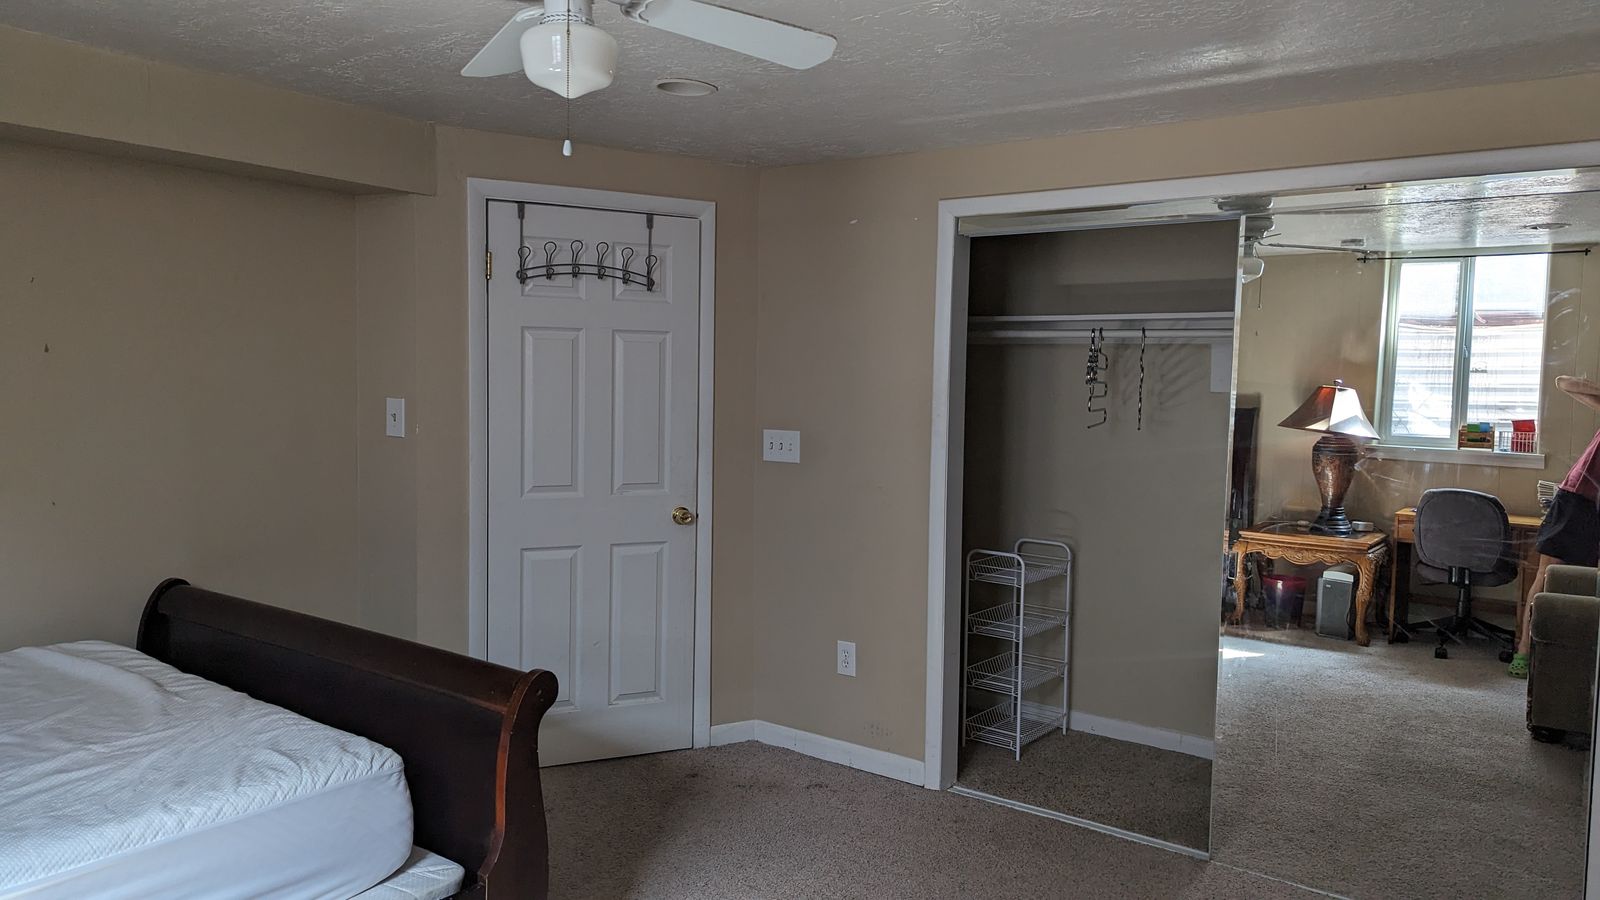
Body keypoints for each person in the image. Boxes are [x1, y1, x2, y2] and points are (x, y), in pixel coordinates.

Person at [1509, 375, 1600, 678]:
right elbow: (1563, 382)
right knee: (1546, 577)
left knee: (1586, 587)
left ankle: (1571, 659)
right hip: (1576, 500)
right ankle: (1524, 651)